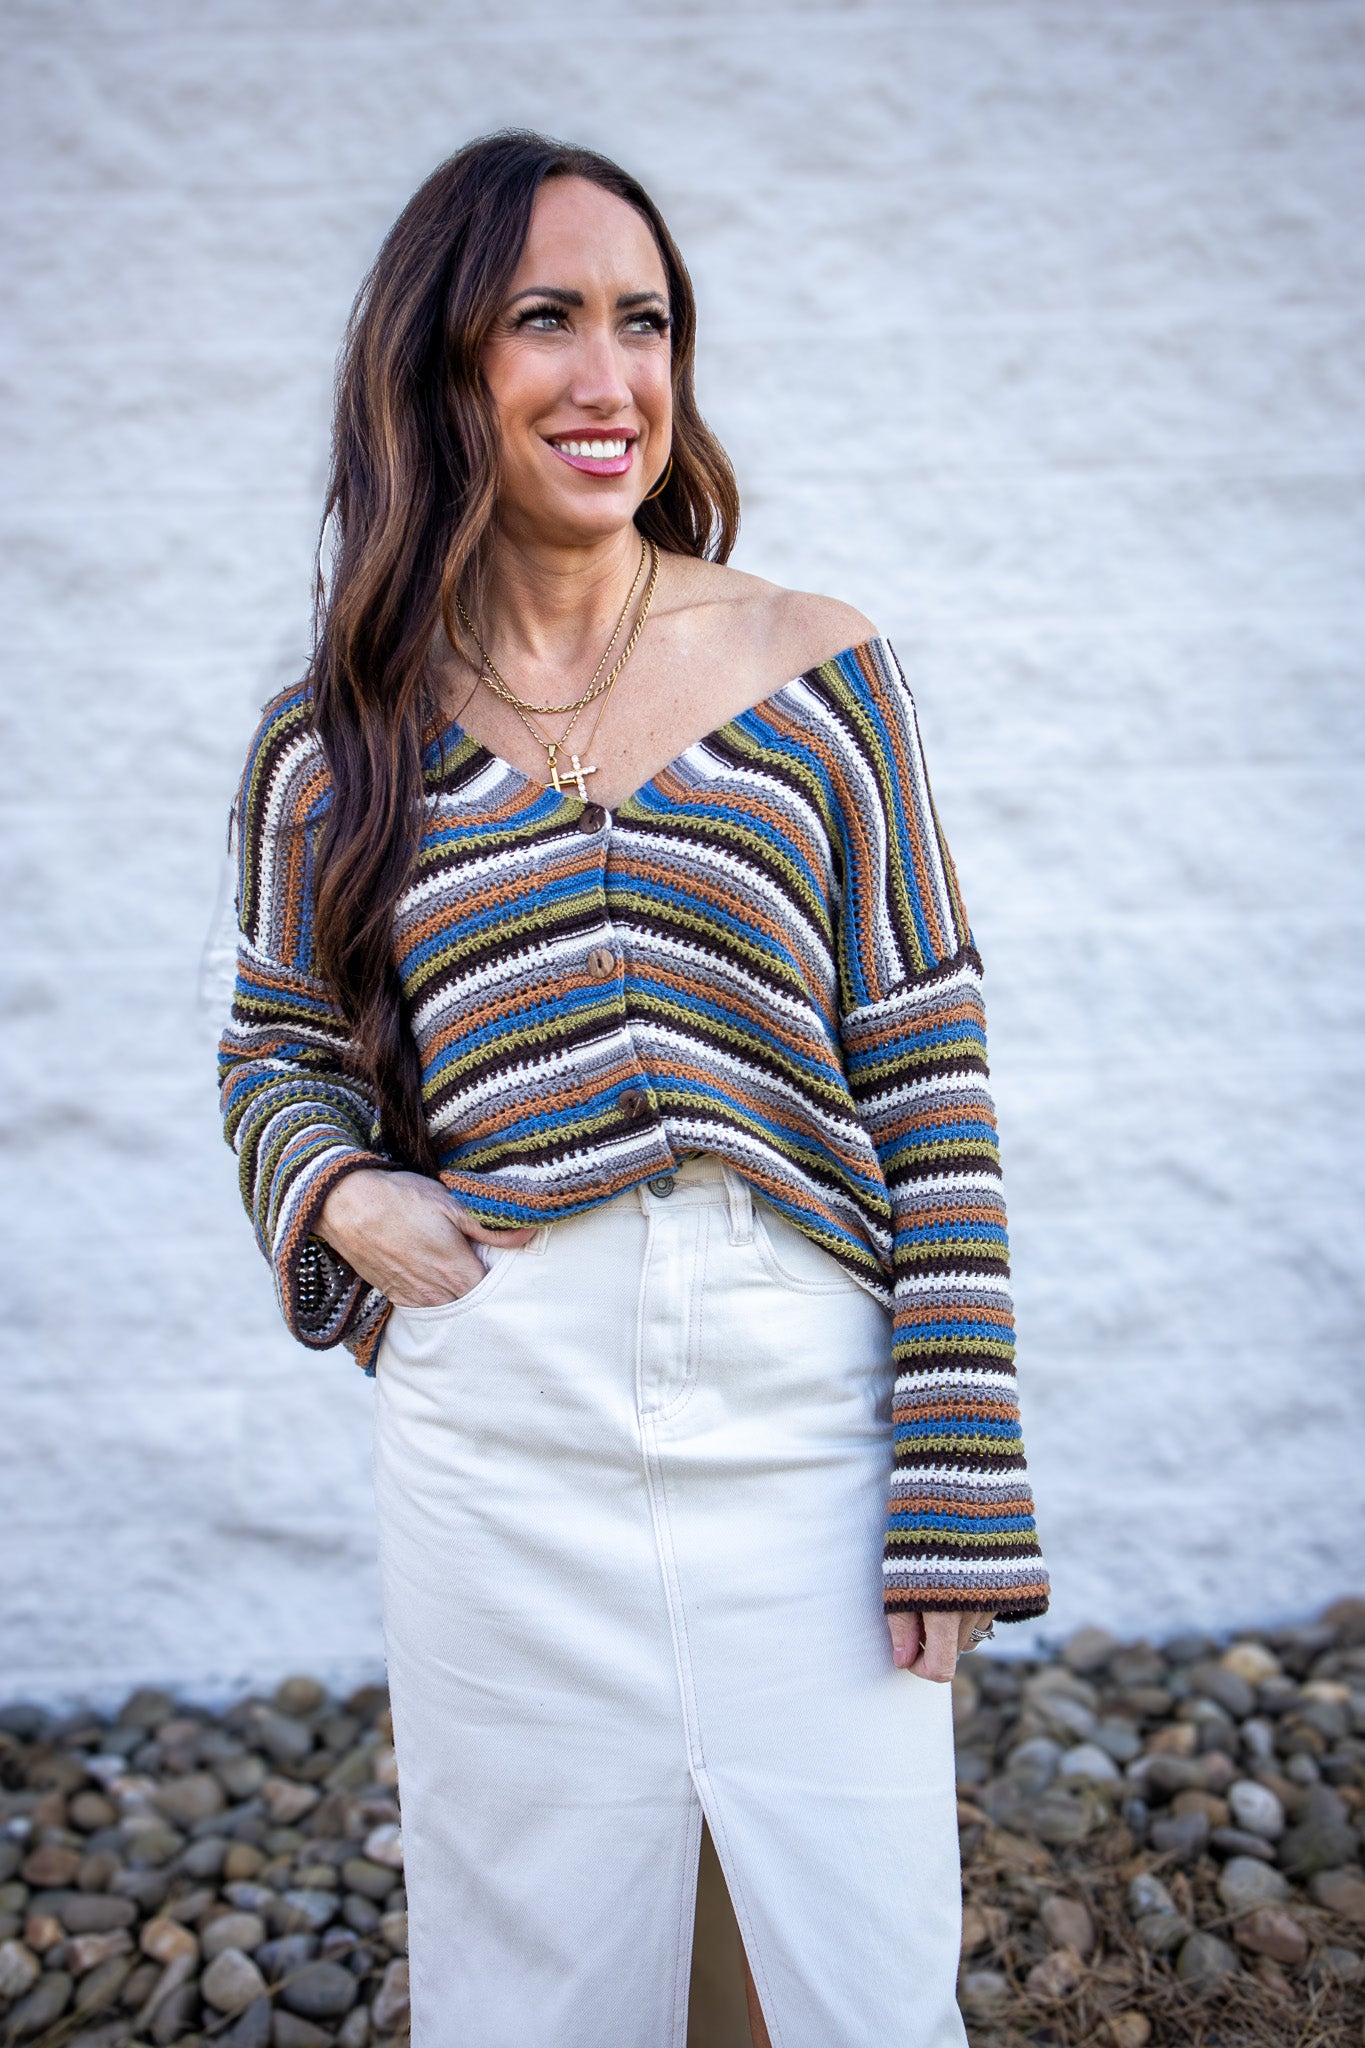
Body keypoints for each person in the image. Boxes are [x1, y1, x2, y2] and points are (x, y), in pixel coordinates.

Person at [219, 130, 1049, 2048]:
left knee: (855, 1980)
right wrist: (342, 1199)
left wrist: (957, 1471)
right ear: (444, 366)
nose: (610, 379)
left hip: (804, 1423)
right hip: (500, 1435)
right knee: (540, 1993)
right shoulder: (337, 734)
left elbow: (929, 1073)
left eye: (644, 321)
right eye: (546, 320)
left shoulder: (818, 674)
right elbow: (275, 1045)